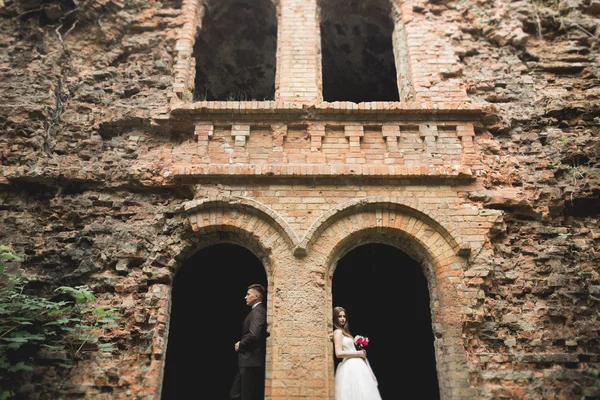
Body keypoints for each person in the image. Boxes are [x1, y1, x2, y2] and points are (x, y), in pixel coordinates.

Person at [332, 306, 381, 400]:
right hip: (349, 365)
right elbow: (338, 353)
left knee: (363, 390)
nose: (342, 319)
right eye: (339, 316)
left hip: (357, 364)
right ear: (335, 318)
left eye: (344, 316)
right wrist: (357, 353)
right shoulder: (338, 332)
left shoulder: (345, 332)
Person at [230, 284, 268, 400]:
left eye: (248, 294)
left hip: (251, 362)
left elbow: (254, 335)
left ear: (256, 296)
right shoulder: (256, 311)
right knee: (236, 394)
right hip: (248, 362)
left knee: (246, 395)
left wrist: (241, 343)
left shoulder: (258, 312)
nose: (245, 297)